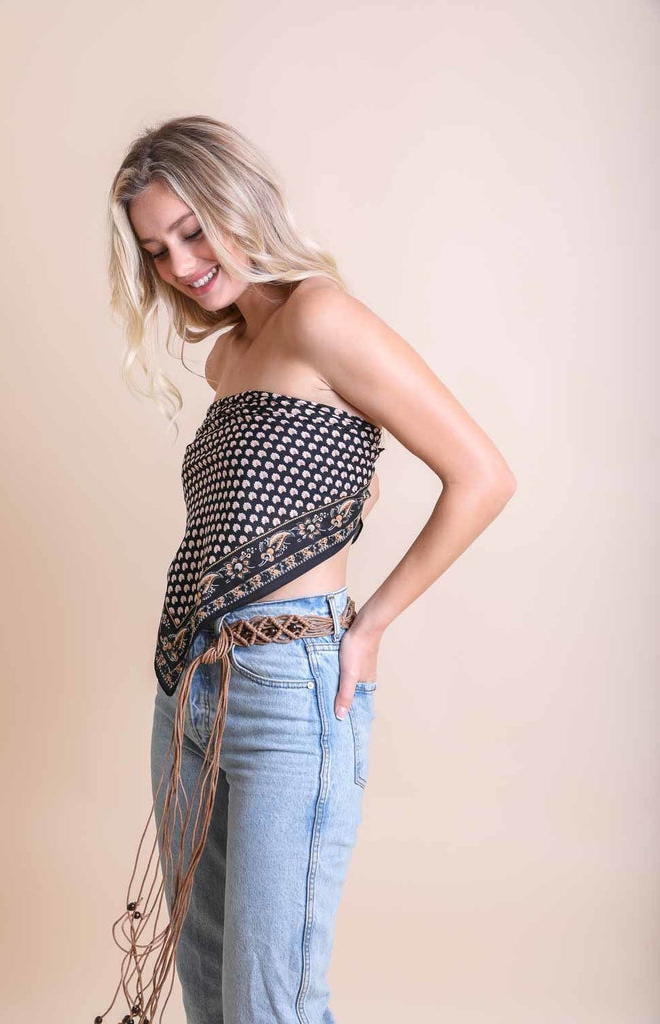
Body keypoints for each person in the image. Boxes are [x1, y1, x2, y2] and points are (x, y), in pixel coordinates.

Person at [94, 115, 517, 1024]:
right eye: (157, 250)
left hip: (290, 688)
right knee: (207, 990)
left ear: (237, 203)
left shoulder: (320, 317)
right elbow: (295, 488)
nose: (180, 265)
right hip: (190, 687)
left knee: (268, 998)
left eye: (192, 231)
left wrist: (370, 626)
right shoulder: (226, 355)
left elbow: (482, 476)